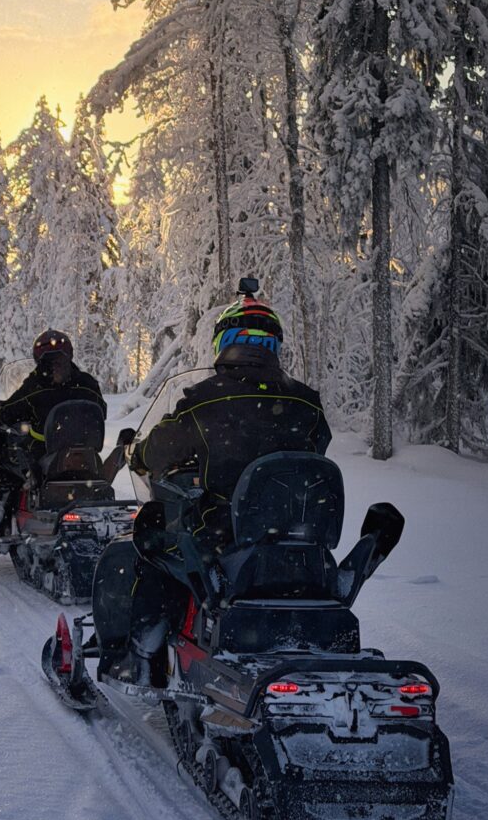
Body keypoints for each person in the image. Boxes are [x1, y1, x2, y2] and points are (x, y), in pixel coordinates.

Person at [110, 285, 332, 685]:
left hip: (225, 535)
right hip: (300, 541)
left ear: (224, 342)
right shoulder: (307, 403)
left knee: (154, 542)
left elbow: (159, 450)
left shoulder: (206, 399)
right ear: (274, 346)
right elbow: (315, 451)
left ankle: (144, 657)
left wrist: (139, 454)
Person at [0, 329, 106, 536]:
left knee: (4, 467)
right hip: (86, 456)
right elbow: (101, 411)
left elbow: (10, 411)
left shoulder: (36, 385)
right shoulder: (88, 383)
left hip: (43, 452)